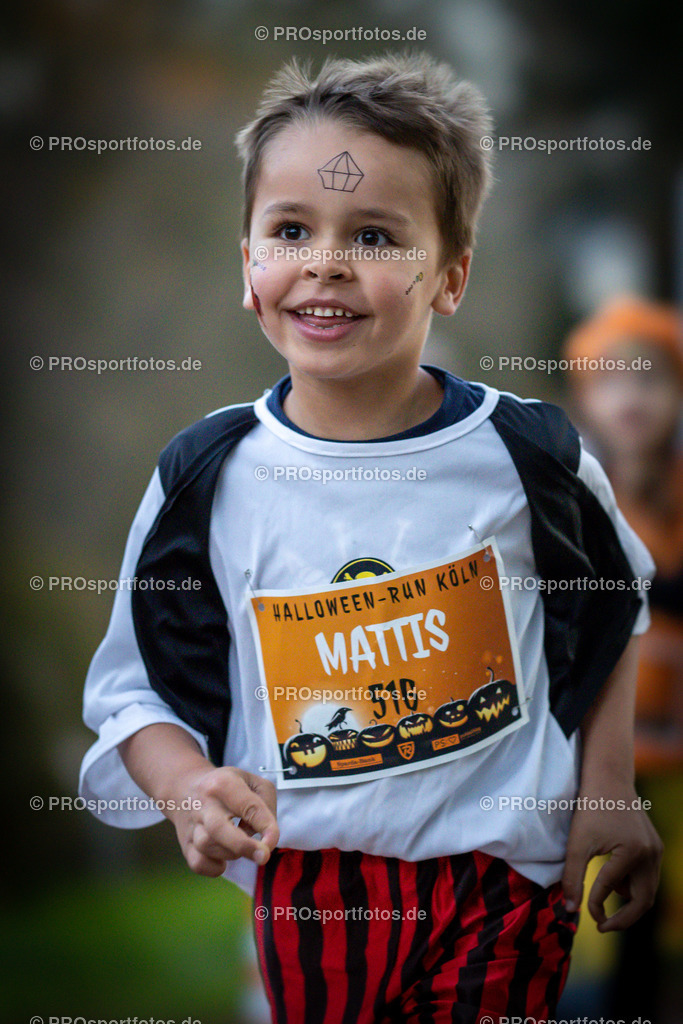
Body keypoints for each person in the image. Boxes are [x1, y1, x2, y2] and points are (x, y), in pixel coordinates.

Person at [79, 54, 662, 1023]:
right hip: (307, 893)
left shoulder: (530, 455)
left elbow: (612, 603)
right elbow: (129, 686)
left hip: (500, 889)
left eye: (377, 236)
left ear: (450, 276)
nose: (327, 262)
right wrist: (184, 784)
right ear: (247, 267)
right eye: (291, 230)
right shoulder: (204, 474)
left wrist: (607, 789)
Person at [563, 296, 683, 1021]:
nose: (630, 398)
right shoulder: (571, 496)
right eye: (610, 380)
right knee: (604, 946)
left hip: (679, 763)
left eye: (650, 379)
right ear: (583, 396)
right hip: (600, 763)